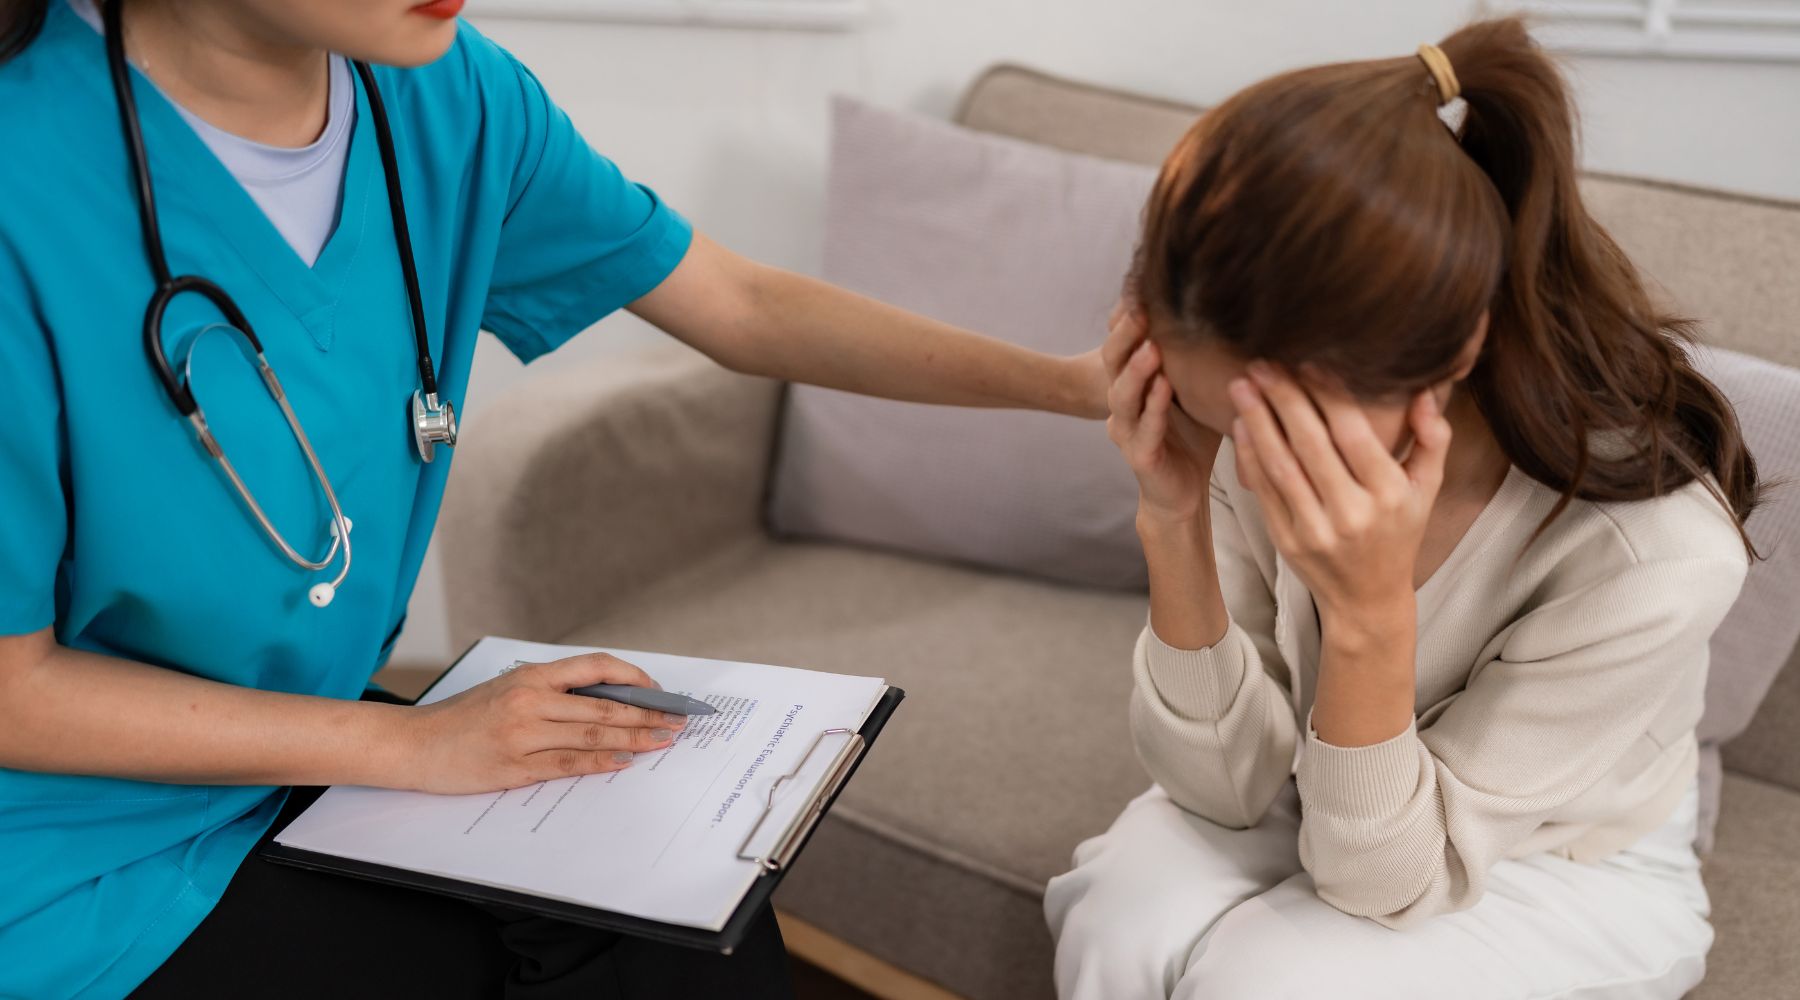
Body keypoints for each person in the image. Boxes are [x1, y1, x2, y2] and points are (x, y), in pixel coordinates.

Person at [0, 1, 1107, 996]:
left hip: (295, 758)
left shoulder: (442, 95)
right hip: (65, 846)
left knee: (693, 941)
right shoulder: (25, 174)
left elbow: (742, 302)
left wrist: (1073, 386)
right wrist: (419, 747)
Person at [1046, 17, 1760, 1000]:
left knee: (1271, 979)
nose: (1252, 464)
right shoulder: (1243, 411)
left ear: (1457, 351)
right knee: (1120, 912)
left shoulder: (1654, 555)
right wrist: (1172, 518)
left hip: (1555, 856)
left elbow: (1386, 876)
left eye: (1285, 431)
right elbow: (1220, 786)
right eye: (1226, 422)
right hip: (1331, 785)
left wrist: (1371, 612)